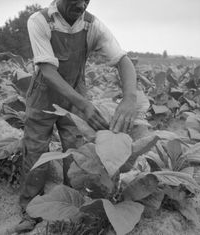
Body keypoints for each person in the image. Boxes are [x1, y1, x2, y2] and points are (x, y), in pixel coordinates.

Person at [17, 0, 139, 232]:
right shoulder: (40, 21)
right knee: (35, 150)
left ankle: (73, 209)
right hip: (44, 94)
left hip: (75, 91)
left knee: (76, 152)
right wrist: (83, 105)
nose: (82, 4)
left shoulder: (92, 26)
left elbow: (123, 60)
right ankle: (30, 210)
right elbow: (48, 71)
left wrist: (130, 98)